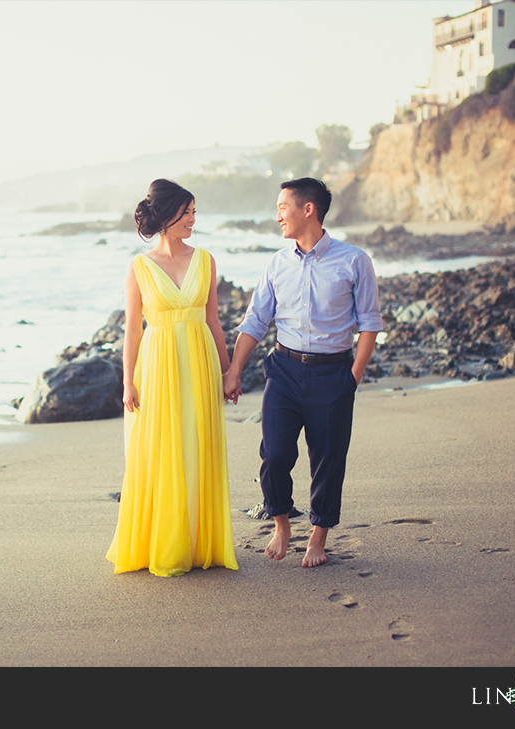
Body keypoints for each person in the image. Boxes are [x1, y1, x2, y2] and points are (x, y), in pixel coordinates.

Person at [223, 178, 383, 568]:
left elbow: (370, 324)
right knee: (275, 454)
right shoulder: (277, 263)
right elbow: (255, 321)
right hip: (284, 370)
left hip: (333, 374)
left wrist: (352, 378)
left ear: (307, 209)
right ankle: (281, 523)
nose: (277, 214)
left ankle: (318, 537)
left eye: (283, 207)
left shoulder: (354, 260)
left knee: (328, 459)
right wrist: (234, 369)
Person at [106, 179, 239, 577]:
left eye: (195, 212)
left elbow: (213, 319)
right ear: (166, 215)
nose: (194, 220)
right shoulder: (139, 266)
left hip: (198, 363)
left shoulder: (206, 260)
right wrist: (128, 381)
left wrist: (229, 369)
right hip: (157, 365)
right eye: (187, 212)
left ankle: (200, 543)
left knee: (197, 446)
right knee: (162, 450)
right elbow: (132, 330)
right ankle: (165, 541)